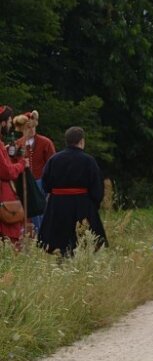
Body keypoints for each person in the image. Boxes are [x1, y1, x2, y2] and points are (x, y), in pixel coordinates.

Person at [38, 126, 107, 255]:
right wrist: (93, 205)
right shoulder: (88, 160)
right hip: (81, 205)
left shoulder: (54, 160)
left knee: (60, 244)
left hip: (57, 206)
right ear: (81, 141)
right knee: (83, 242)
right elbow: (97, 187)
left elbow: (46, 184)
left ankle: (62, 261)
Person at [12, 110, 55, 233]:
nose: (31, 130)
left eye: (32, 127)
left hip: (40, 181)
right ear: (22, 129)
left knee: (40, 212)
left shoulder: (45, 142)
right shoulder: (17, 144)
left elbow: (52, 165)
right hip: (23, 182)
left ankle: (42, 236)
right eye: (27, 127)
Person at [0, 105, 28, 246]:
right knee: (8, 236)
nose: (10, 124)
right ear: (3, 122)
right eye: (9, 121)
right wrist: (22, 163)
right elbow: (7, 172)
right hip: (3, 194)